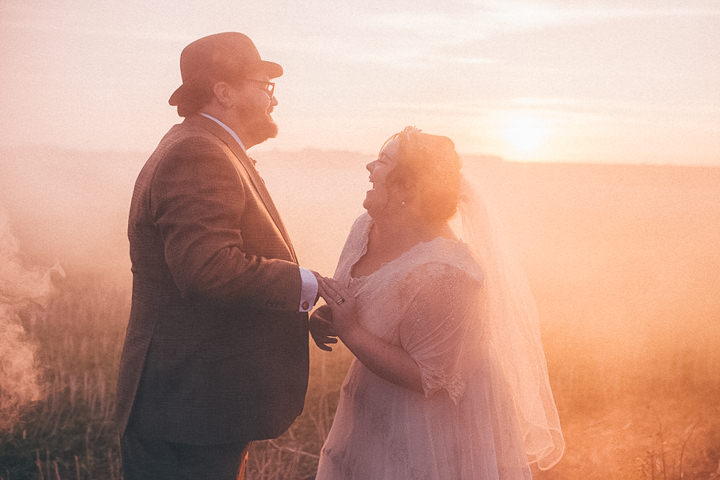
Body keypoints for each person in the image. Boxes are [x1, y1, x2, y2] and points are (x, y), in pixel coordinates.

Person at [115, 32, 320, 480]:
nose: (273, 100)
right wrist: (309, 284)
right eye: (264, 86)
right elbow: (209, 270)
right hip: (188, 411)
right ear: (224, 92)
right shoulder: (198, 153)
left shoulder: (207, 146)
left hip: (194, 408)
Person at [311, 127, 565, 479]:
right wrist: (331, 316)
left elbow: (431, 378)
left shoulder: (450, 272)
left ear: (407, 188)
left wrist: (351, 329)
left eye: (383, 161)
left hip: (424, 429)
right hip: (368, 406)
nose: (370, 167)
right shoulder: (364, 227)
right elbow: (366, 300)